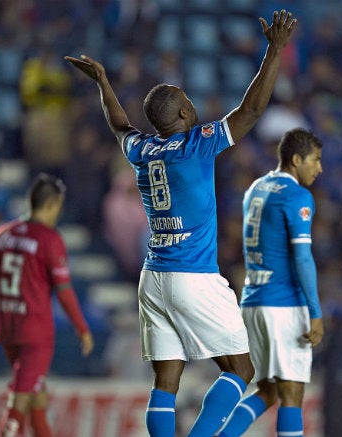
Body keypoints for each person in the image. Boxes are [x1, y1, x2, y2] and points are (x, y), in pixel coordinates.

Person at [64, 9, 297, 437]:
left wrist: (103, 82)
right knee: (241, 368)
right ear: (186, 114)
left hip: (154, 278)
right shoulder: (196, 145)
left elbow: (119, 125)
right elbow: (254, 107)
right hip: (194, 276)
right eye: (189, 103)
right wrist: (275, 50)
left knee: (166, 382)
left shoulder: (142, 150)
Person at [0, 173, 94, 437]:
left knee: (37, 403)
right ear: (51, 205)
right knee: (18, 405)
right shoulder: (49, 239)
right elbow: (65, 292)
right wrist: (82, 328)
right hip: (36, 335)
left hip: (9, 331)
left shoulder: (1, 235)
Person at [217, 127, 323, 437]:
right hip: (284, 305)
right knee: (292, 395)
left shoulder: (255, 189)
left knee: (267, 390)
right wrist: (315, 311)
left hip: (253, 301)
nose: (319, 168)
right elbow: (302, 258)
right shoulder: (298, 196)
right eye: (314, 161)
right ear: (295, 159)